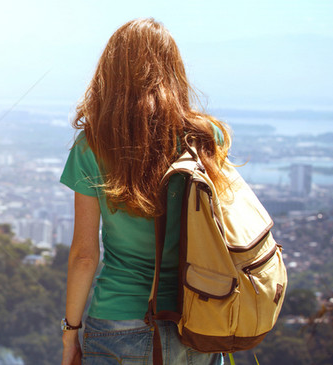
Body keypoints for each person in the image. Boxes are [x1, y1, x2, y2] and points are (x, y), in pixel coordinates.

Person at [59, 18, 231, 365]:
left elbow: (84, 255)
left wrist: (70, 331)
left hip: (118, 322)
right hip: (197, 316)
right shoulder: (207, 136)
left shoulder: (92, 145)